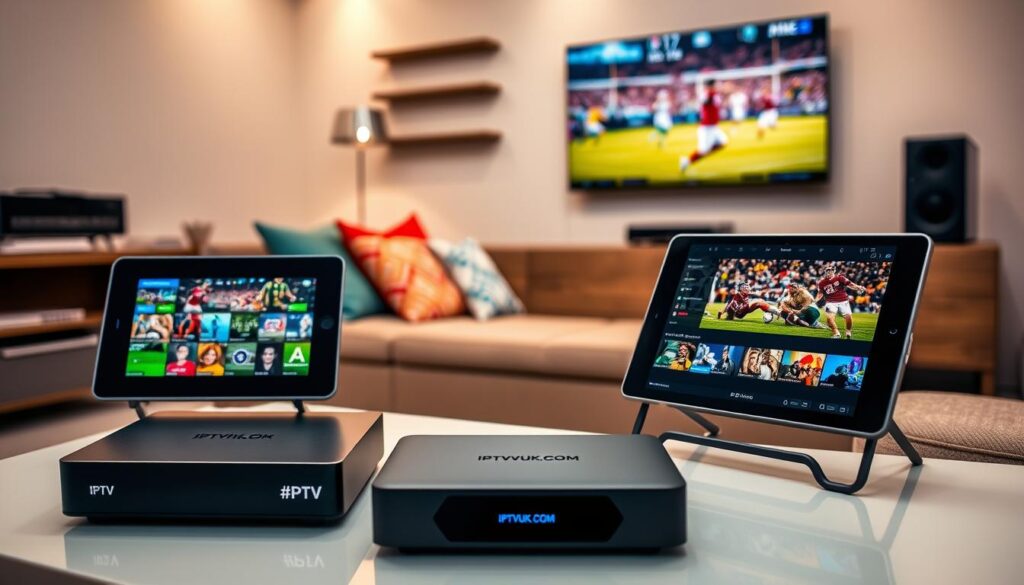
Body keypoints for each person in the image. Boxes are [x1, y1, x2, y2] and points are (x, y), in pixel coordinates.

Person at [679, 78, 729, 172]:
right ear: (710, 86)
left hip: (714, 126)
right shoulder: (707, 95)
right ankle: (686, 161)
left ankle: (705, 151)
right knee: (702, 151)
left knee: (723, 142)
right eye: (715, 85)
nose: (717, 86)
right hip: (707, 128)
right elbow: (705, 102)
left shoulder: (714, 94)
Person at [815, 265, 868, 339]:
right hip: (830, 301)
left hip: (843, 300)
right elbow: (820, 293)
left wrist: (858, 287)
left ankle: (848, 331)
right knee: (830, 318)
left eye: (830, 270)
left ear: (834, 271)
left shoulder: (840, 277)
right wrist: (815, 300)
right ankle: (836, 333)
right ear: (825, 271)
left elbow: (850, 284)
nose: (828, 272)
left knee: (848, 317)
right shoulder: (821, 283)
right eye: (827, 270)